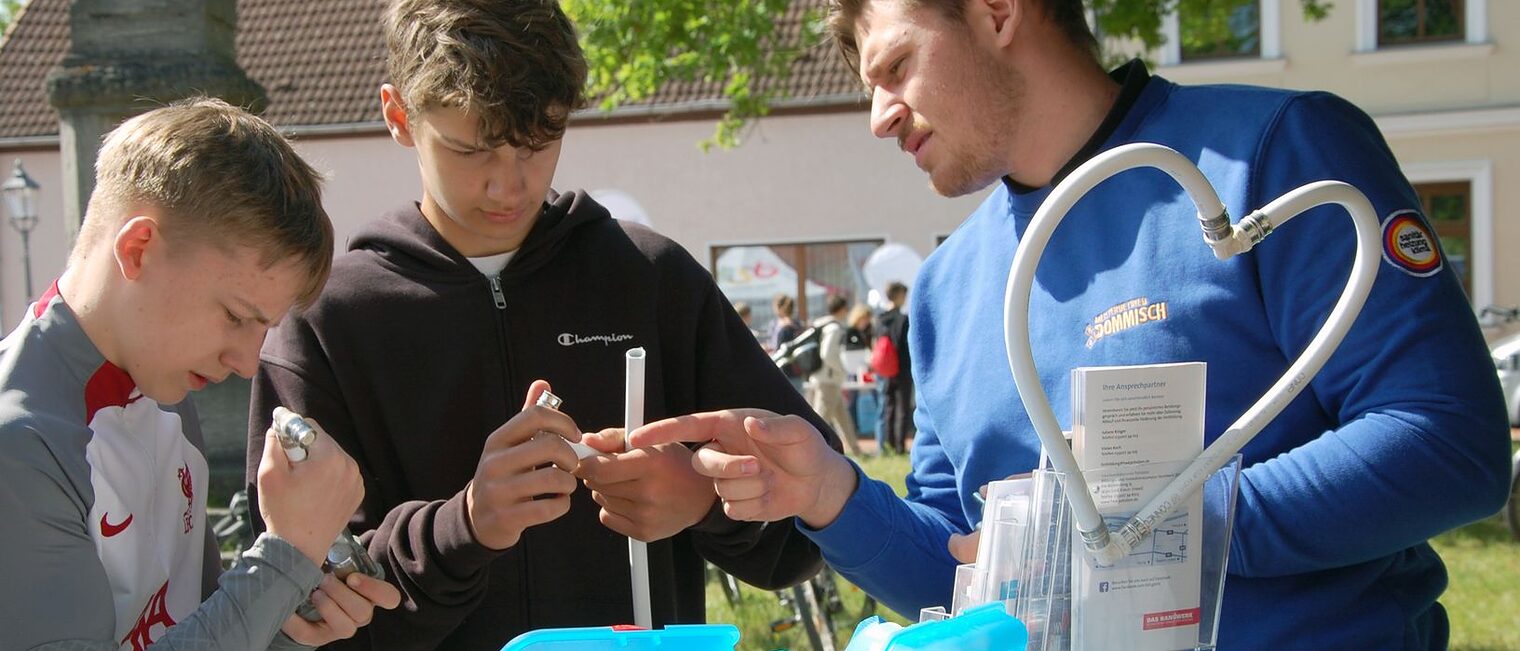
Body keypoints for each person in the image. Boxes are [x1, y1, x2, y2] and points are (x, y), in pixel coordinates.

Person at [628, 0, 1513, 648]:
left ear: (997, 12)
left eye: (897, 68)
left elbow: (1450, 443)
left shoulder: (1272, 154)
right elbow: (960, 571)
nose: (879, 116)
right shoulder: (947, 289)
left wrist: (1159, 526)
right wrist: (829, 495)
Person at [243, 1, 835, 648]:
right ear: (398, 115)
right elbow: (293, 604)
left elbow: (817, 525)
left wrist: (705, 498)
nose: (509, 185)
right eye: (471, 149)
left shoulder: (651, 279)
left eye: (540, 141)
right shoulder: (328, 319)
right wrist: (463, 527)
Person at [0, 98, 400, 650]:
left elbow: (190, 627)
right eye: (236, 316)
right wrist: (285, 557)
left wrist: (289, 619)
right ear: (137, 249)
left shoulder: (160, 390)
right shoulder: (18, 444)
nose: (243, 363)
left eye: (263, 328)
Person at [809, 295, 862, 455]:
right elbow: (827, 354)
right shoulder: (834, 328)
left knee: (842, 417)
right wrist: (842, 368)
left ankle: (856, 449)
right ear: (842, 309)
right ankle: (812, 451)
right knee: (820, 420)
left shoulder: (823, 324)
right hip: (828, 379)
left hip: (826, 378)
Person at [875, 282, 913, 454]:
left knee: (888, 406)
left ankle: (887, 443)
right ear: (898, 295)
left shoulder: (880, 319)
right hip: (902, 368)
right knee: (902, 408)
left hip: (885, 369)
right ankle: (899, 445)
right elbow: (905, 346)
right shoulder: (903, 319)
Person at [768, 293, 806, 391]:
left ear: (778, 307)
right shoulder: (798, 325)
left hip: (782, 369)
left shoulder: (780, 326)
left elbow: (778, 349)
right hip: (798, 369)